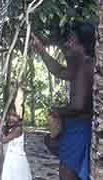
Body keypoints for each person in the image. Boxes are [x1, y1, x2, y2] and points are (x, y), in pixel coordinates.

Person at [29, 22, 95, 180]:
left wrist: (58, 111)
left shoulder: (86, 65)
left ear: (83, 44)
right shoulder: (80, 64)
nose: (67, 44)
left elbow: (78, 106)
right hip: (76, 127)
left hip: (80, 129)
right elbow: (59, 71)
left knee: (67, 173)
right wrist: (41, 49)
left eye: (72, 40)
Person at [1, 106, 32, 180]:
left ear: (20, 117)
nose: (10, 117)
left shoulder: (18, 129)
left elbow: (3, 140)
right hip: (9, 161)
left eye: (14, 115)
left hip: (16, 162)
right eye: (8, 114)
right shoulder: (8, 129)